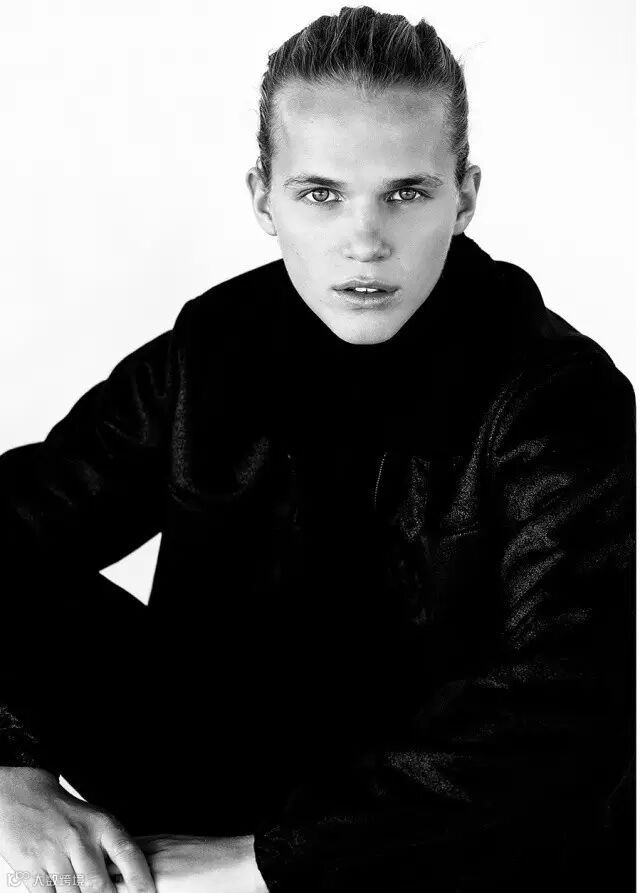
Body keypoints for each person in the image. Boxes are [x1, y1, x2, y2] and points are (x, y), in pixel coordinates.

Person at [0, 5, 634, 893]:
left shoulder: (560, 397)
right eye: (321, 193)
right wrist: (12, 769)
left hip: (448, 845)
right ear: (263, 196)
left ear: (466, 196)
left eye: (406, 193)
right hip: (211, 780)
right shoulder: (213, 347)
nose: (365, 241)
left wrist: (259, 861)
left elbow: (572, 702)